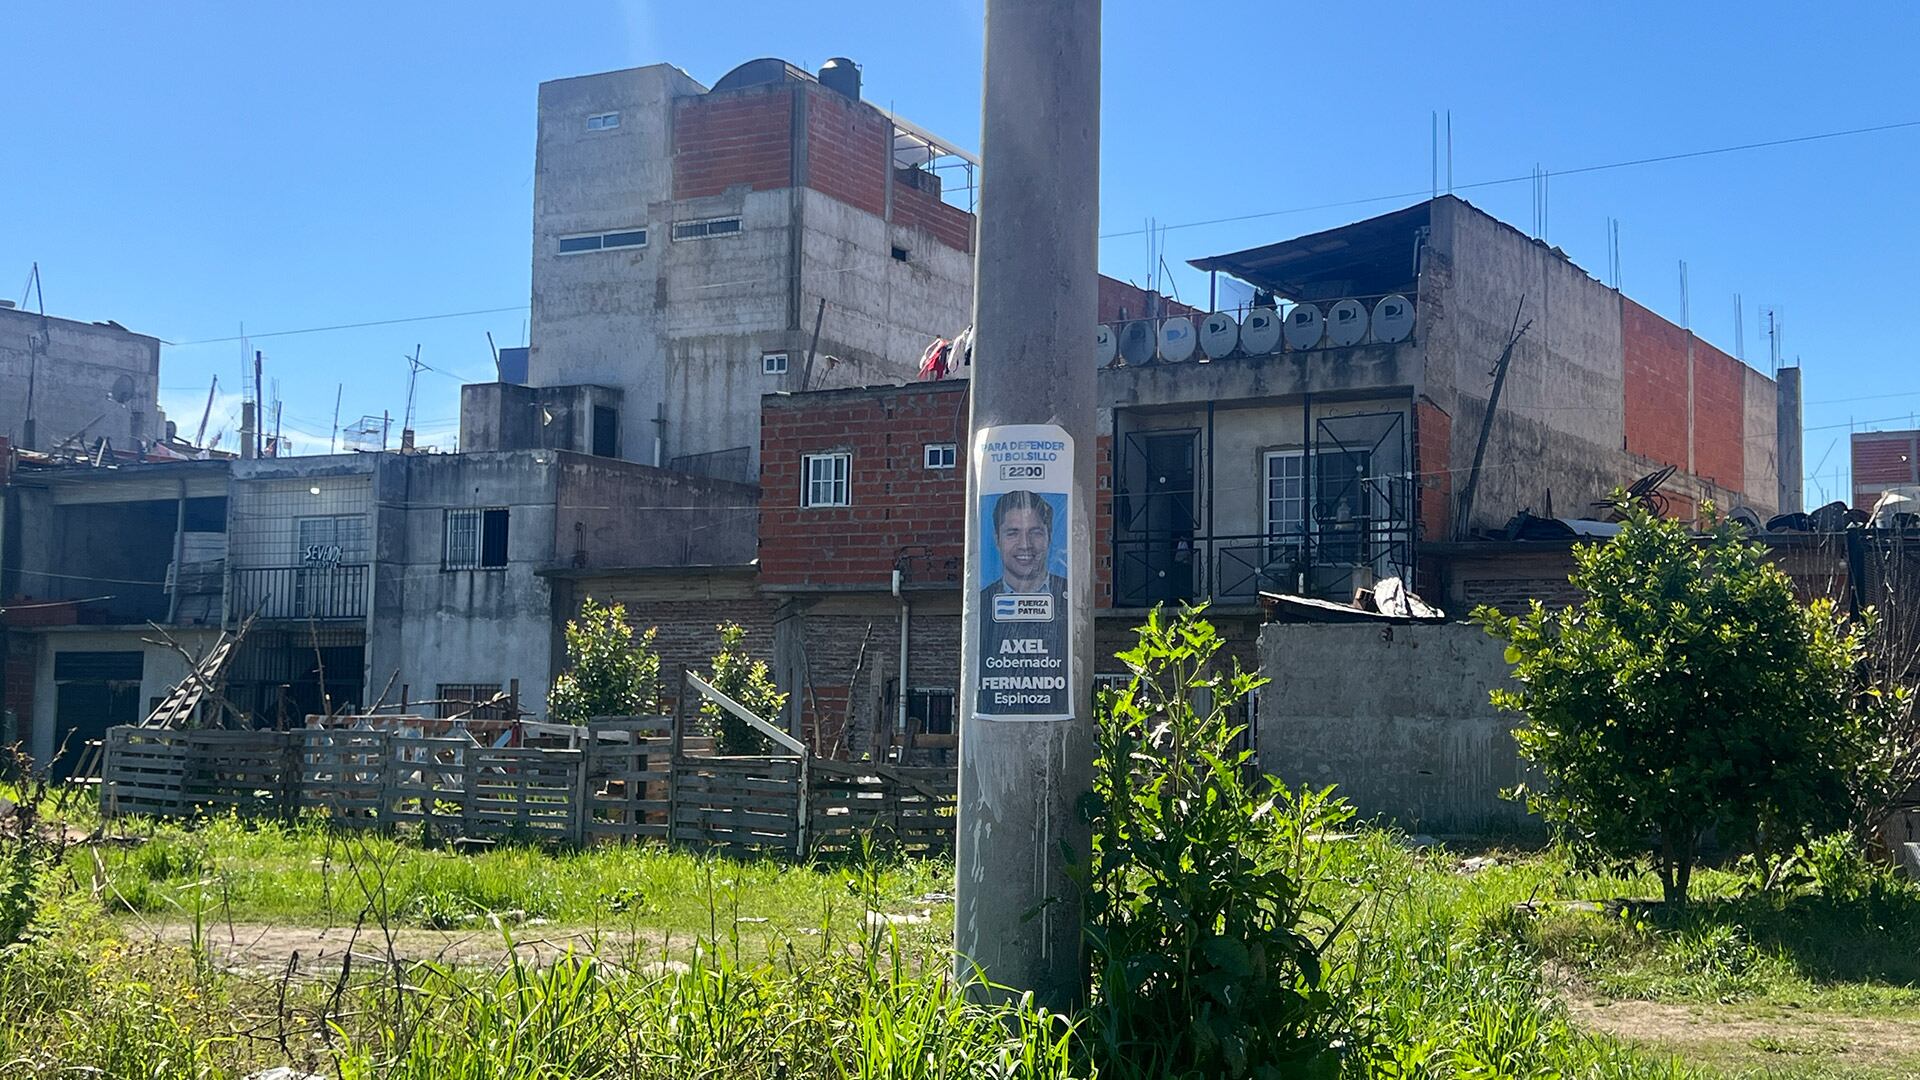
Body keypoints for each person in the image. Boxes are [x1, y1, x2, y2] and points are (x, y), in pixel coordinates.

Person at [977, 490, 1069, 714]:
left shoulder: (1071, 599)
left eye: (1035, 532)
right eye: (1013, 533)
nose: (1025, 544)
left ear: (1049, 537)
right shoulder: (980, 605)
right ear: (997, 540)